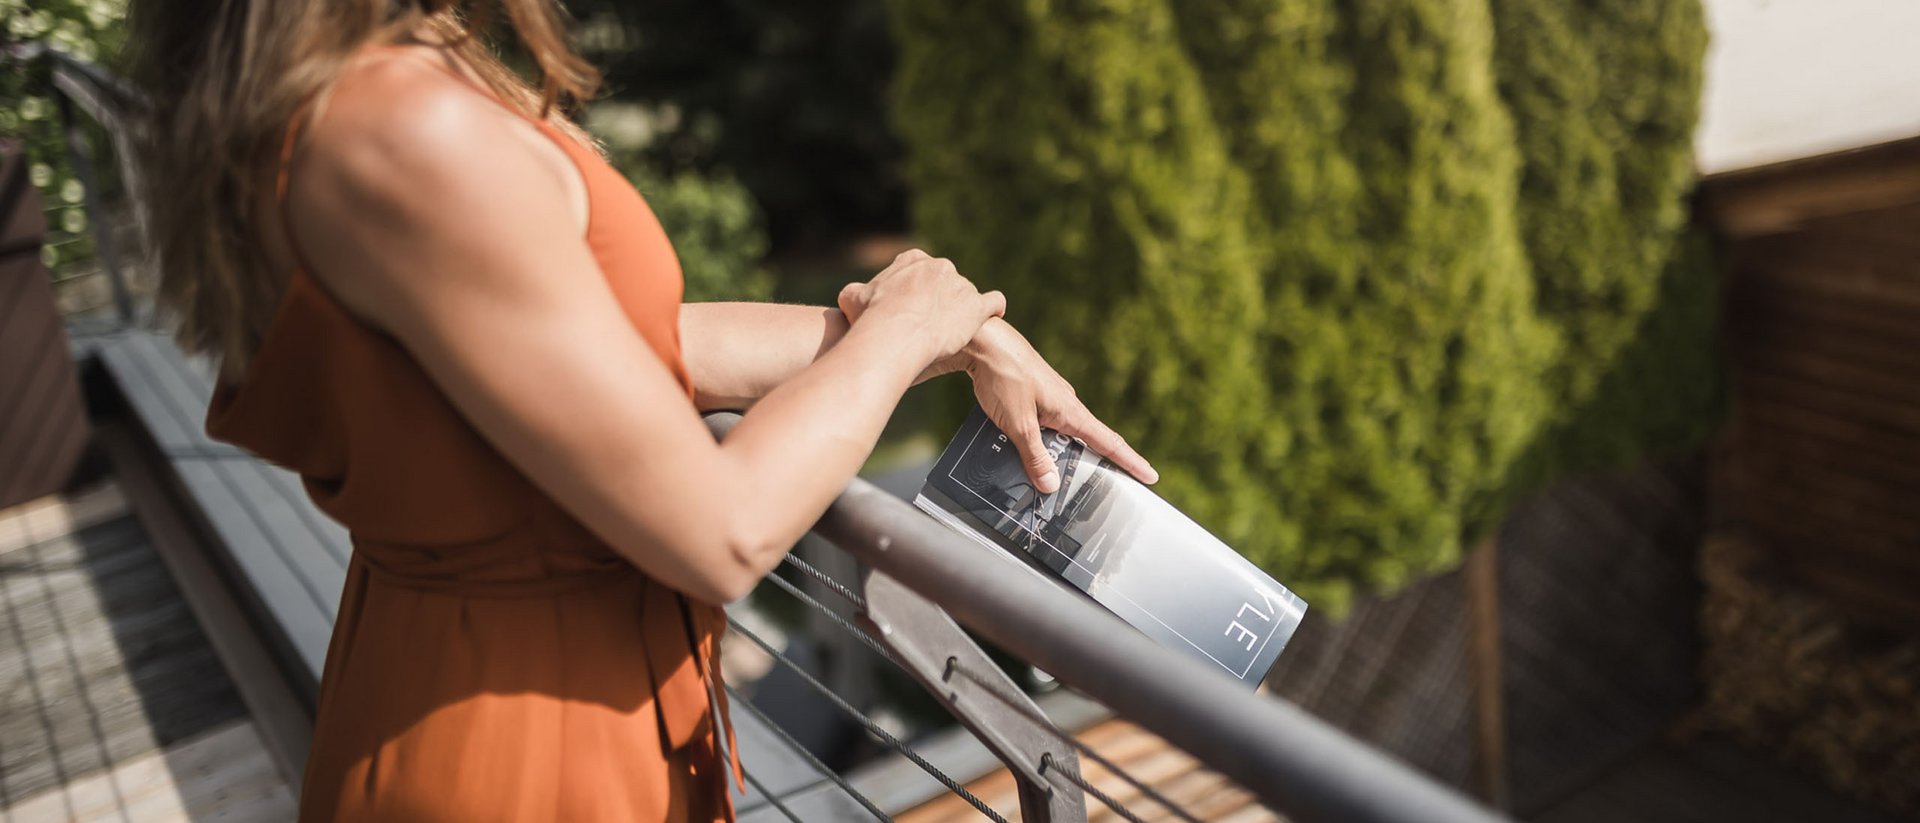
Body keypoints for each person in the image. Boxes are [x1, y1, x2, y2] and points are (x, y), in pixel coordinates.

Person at [125, 1, 1157, 821]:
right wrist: (900, 332)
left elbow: (612, 344)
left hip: (474, 677)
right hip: (531, 752)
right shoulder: (406, 131)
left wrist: (945, 331)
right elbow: (721, 530)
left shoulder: (341, 95)